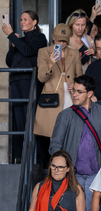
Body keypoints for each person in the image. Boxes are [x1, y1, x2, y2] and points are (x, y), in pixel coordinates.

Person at [49, 74, 101, 211]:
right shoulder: (65, 115)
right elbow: (55, 144)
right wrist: (62, 167)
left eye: (79, 91)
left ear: (90, 93)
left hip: (97, 175)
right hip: (74, 175)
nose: (74, 95)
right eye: (73, 91)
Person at [2, 10, 47, 162]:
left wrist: (11, 36)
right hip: (15, 81)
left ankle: (38, 158)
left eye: (25, 19)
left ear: (34, 22)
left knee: (31, 118)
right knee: (18, 120)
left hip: (29, 81)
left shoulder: (40, 38)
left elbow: (28, 52)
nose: (22, 22)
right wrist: (14, 44)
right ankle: (20, 158)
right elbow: (9, 61)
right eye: (21, 19)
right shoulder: (19, 40)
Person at [34, 23, 82, 139]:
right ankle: (56, 157)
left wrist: (76, 86)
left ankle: (68, 157)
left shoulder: (74, 53)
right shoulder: (44, 52)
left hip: (71, 94)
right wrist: (50, 63)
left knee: (71, 131)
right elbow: (41, 77)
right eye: (59, 40)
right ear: (53, 37)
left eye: (65, 41)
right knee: (54, 134)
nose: (62, 43)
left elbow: (80, 76)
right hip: (53, 95)